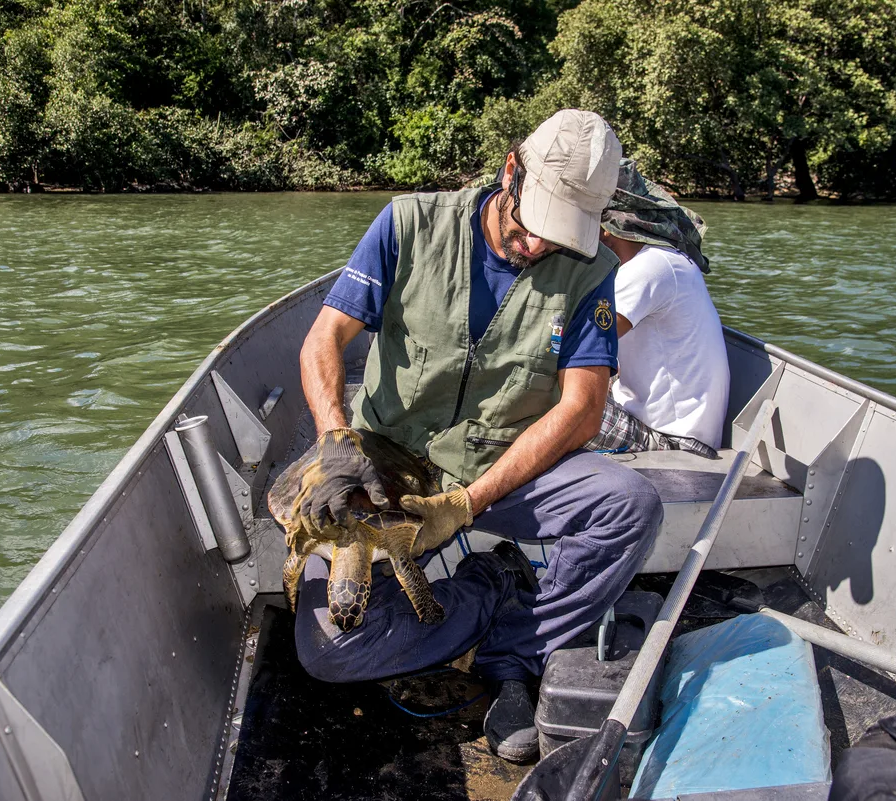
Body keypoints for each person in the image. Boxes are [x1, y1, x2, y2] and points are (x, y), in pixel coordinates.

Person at [291, 110, 664, 763]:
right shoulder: (408, 223)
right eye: (530, 225)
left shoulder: (591, 270)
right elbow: (324, 339)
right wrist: (335, 442)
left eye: (559, 235)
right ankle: (493, 583)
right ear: (510, 170)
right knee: (330, 649)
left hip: (507, 466)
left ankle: (512, 649)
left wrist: (468, 503)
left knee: (630, 504)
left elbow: (582, 408)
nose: (538, 246)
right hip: (390, 471)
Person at [586, 160, 730, 459]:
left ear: (603, 230)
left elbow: (588, 343)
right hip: (659, 423)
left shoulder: (649, 269)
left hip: (672, 439)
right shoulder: (664, 258)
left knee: (535, 398)